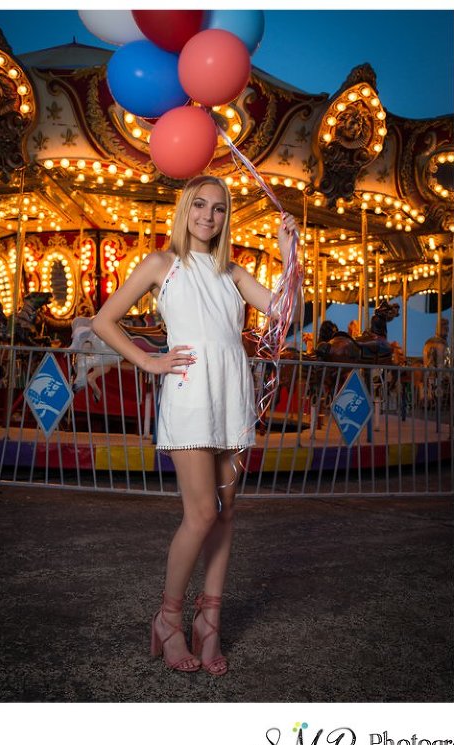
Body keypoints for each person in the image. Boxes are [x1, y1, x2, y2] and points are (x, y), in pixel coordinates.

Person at [92, 175, 299, 674]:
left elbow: (283, 313)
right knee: (202, 513)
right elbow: (104, 320)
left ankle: (210, 624)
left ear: (228, 217)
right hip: (189, 396)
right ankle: (168, 618)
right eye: (200, 205)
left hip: (233, 396)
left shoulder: (233, 272)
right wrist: (149, 362)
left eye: (219, 208)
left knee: (226, 514)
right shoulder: (162, 265)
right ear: (185, 209)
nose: (208, 215)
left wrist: (291, 256)